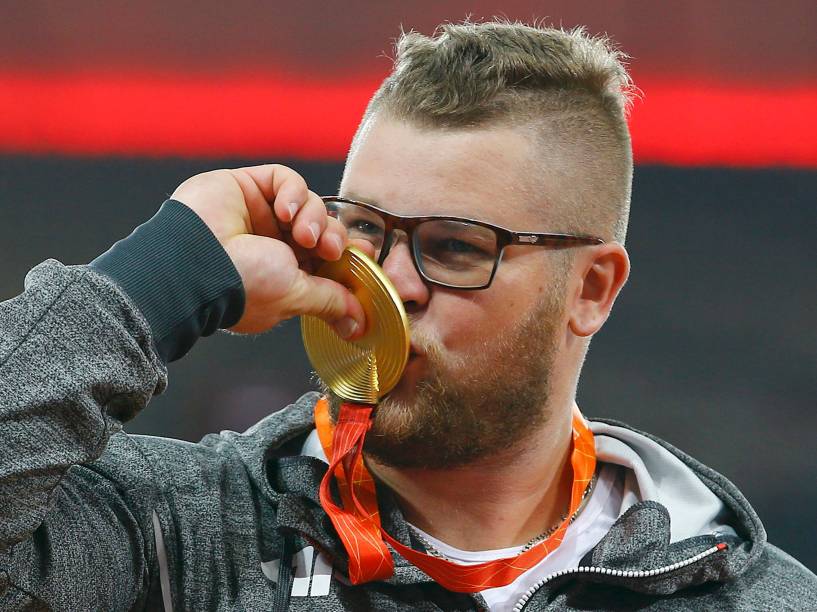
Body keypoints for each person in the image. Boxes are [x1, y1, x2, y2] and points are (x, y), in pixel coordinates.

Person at [0, 20, 814, 612]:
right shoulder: (182, 534)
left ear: (591, 290)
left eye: (455, 248)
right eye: (364, 231)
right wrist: (161, 274)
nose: (389, 286)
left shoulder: (757, 598)